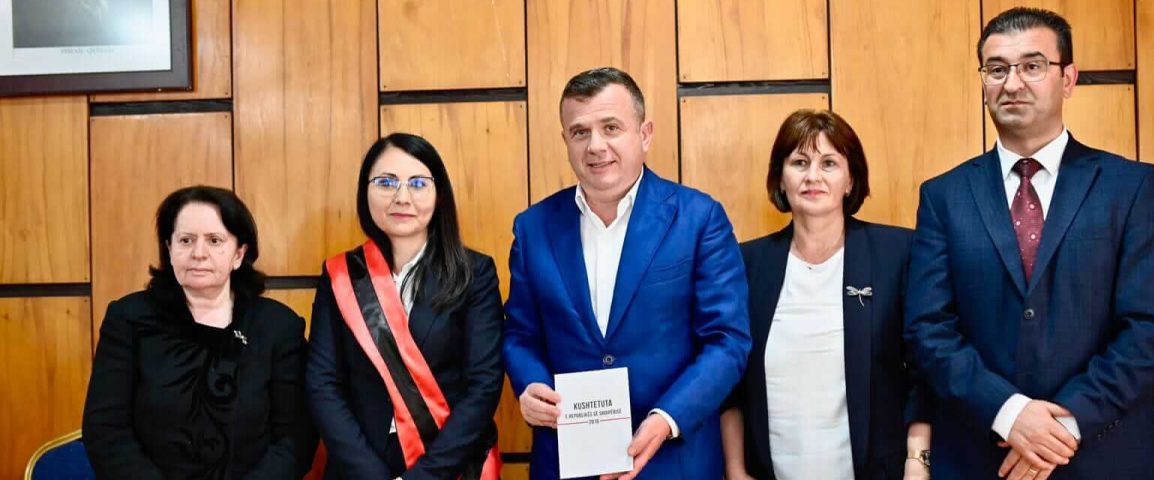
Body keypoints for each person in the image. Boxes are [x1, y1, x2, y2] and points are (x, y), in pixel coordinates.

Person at [905, 7, 1154, 480]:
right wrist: (1010, 413)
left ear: (1068, 78)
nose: (1012, 83)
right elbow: (928, 330)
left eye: (1032, 66)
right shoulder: (943, 196)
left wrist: (1063, 426)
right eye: (997, 69)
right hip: (984, 454)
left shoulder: (1131, 187)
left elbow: (1153, 330)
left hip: (1108, 453)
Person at [503, 66, 752, 480]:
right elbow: (520, 335)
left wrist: (667, 418)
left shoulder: (699, 218)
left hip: (674, 459)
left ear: (645, 134)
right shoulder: (533, 228)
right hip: (567, 461)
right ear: (566, 141)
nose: (595, 146)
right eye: (580, 132)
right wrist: (529, 386)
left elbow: (727, 341)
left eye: (611, 127)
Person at [722, 109, 932, 480]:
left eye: (829, 163)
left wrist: (917, 462)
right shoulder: (748, 263)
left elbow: (923, 370)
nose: (813, 176)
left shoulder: (896, 253)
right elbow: (731, 382)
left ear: (851, 180)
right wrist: (736, 471)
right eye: (799, 162)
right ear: (781, 178)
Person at [306, 133, 504, 479]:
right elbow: (322, 383)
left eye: (418, 183)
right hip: (359, 467)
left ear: (439, 194)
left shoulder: (475, 273)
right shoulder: (341, 275)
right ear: (365, 191)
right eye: (386, 183)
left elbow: (484, 384)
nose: (402, 197)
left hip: (449, 465)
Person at [83, 185, 313, 479]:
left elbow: (295, 440)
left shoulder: (278, 327)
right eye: (186, 240)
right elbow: (106, 430)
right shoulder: (129, 319)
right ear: (169, 248)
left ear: (239, 253)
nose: (199, 253)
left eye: (215, 241)